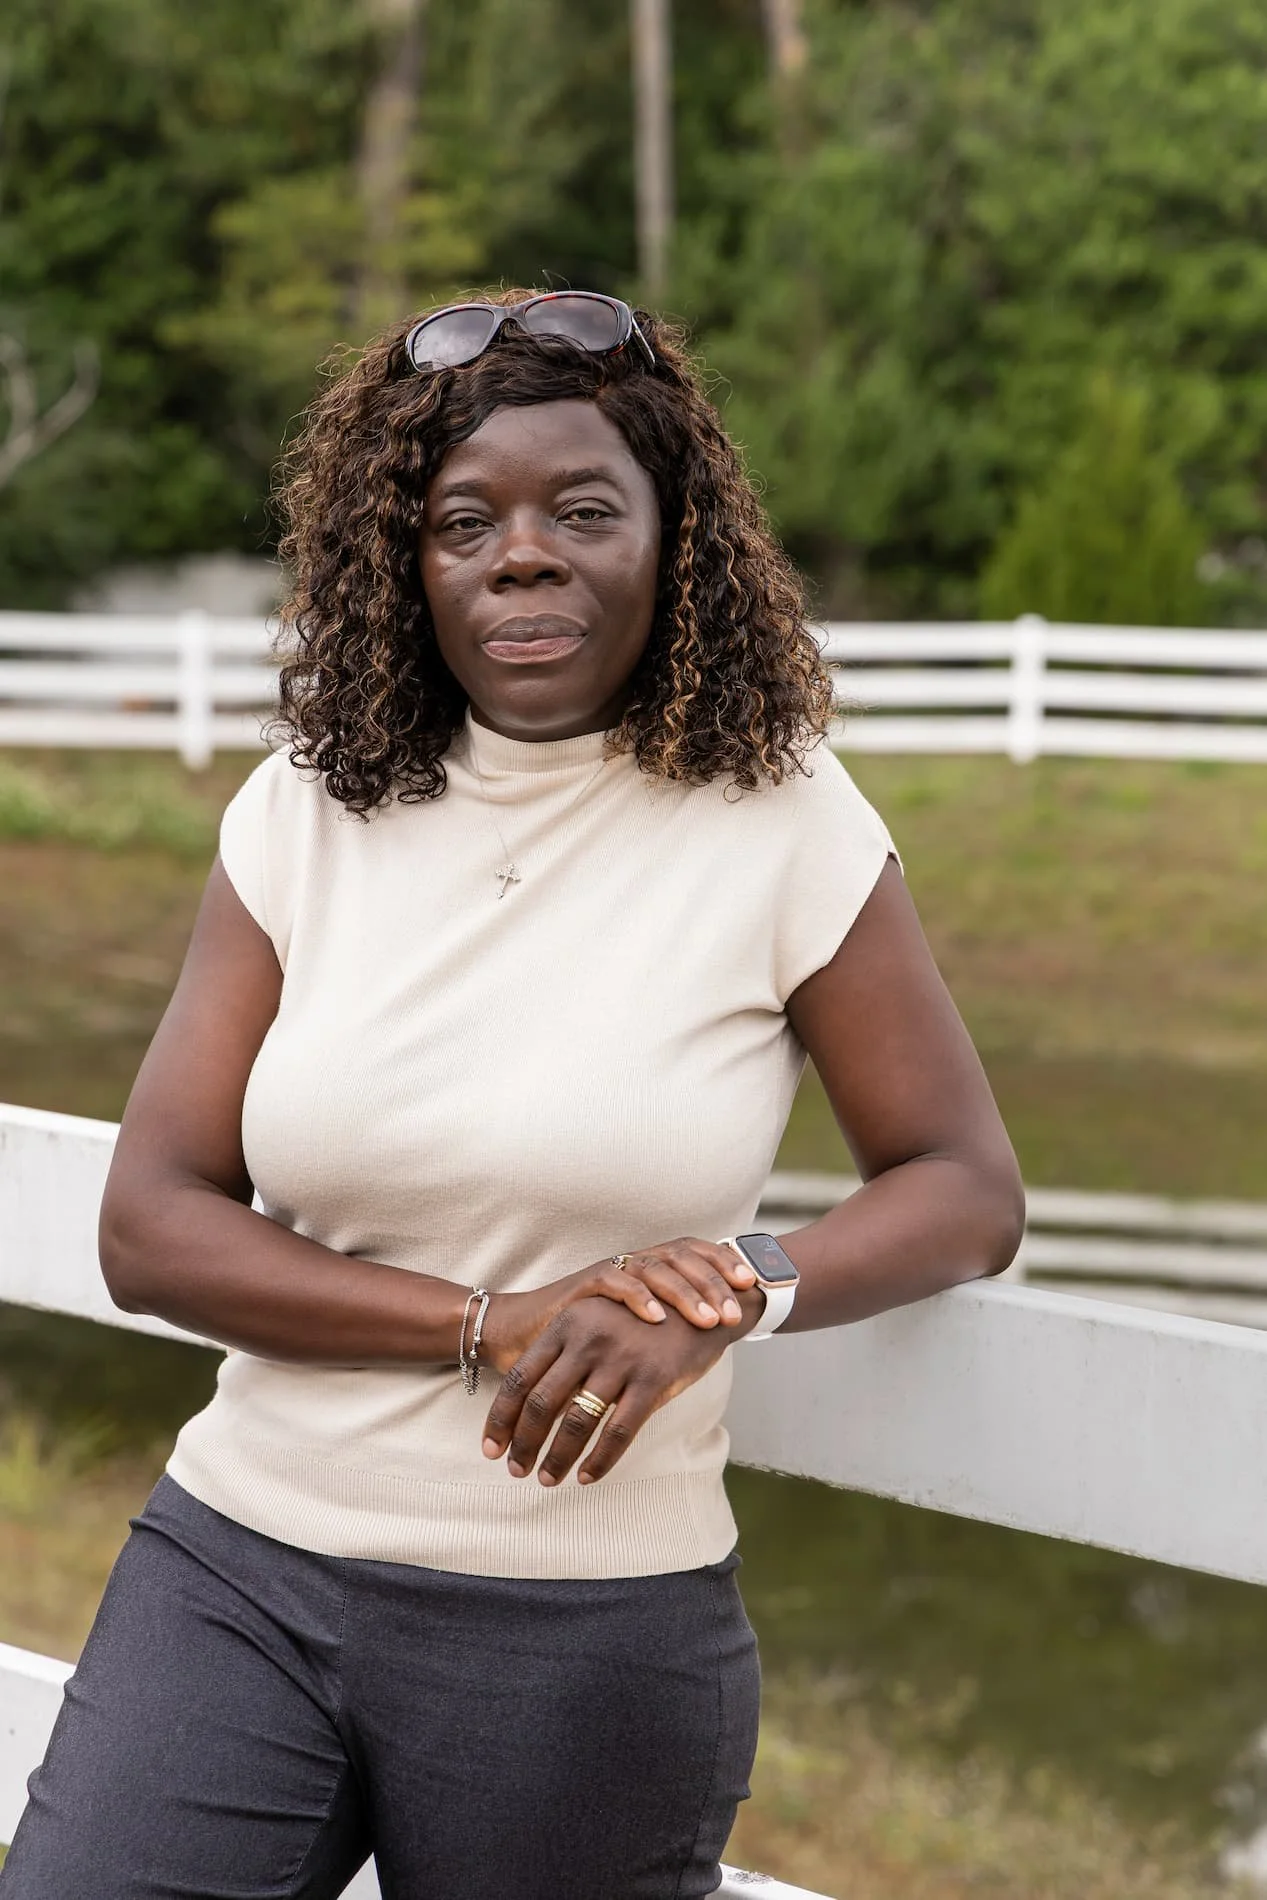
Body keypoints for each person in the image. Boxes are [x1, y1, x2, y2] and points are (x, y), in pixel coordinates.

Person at [0, 289, 1024, 1900]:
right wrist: (486, 1324)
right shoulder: (304, 811)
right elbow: (151, 1225)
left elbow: (961, 1184)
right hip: (242, 1566)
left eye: (581, 510)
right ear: (403, 562)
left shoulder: (782, 819)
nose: (520, 553)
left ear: (673, 541)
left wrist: (730, 1297)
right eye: (462, 519)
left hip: (581, 1626)